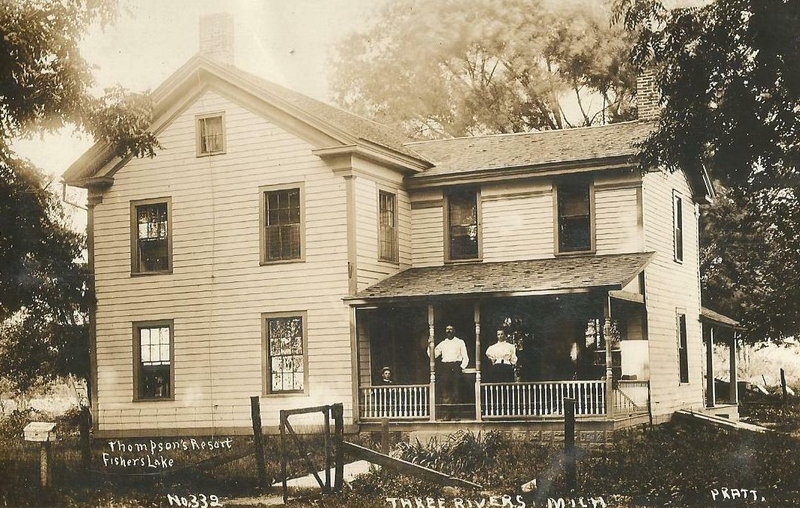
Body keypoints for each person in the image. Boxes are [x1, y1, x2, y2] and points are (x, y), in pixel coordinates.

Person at [431, 324, 469, 419]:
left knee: (456, 391)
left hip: (456, 367)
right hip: (446, 367)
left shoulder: (460, 342)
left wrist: (461, 367)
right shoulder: (443, 343)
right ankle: (447, 415)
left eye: (451, 329)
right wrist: (429, 345)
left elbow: (465, 357)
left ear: (454, 331)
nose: (449, 331)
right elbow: (433, 355)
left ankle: (457, 415)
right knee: (446, 392)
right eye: (447, 329)